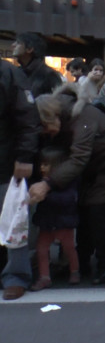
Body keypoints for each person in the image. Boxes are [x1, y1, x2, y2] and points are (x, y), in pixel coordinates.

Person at [31, 83, 105, 285]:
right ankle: (84, 262)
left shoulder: (82, 116)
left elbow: (79, 158)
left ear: (52, 116)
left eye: (46, 127)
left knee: (97, 211)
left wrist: (48, 183)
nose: (46, 133)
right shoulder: (66, 115)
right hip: (99, 165)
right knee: (85, 211)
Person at [0, 60, 41, 301]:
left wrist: (24, 157)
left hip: (6, 162)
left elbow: (28, 118)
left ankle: (16, 275)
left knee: (15, 221)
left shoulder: (8, 73)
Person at [30, 147, 80, 291]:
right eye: (41, 164)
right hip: (47, 222)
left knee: (69, 248)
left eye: (46, 164)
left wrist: (46, 195)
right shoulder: (41, 182)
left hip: (64, 222)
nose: (42, 168)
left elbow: (68, 199)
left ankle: (74, 270)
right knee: (41, 249)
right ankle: (45, 276)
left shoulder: (65, 182)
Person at [12, 32, 62, 96]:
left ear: (29, 49)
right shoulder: (17, 71)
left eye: (18, 43)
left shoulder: (48, 74)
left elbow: (57, 101)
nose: (13, 45)